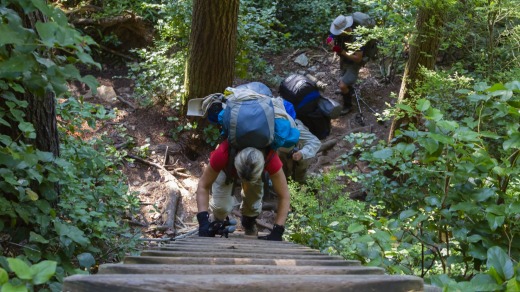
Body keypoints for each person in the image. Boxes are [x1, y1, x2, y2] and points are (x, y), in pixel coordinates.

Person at [195, 140, 291, 241]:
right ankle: (217, 220)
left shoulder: (271, 158)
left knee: (253, 202)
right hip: (226, 169)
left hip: (256, 173)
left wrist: (277, 231)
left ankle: (249, 220)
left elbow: (284, 195)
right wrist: (203, 222)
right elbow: (203, 185)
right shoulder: (223, 154)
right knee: (221, 208)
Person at [326, 15, 364, 115]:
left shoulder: (357, 38)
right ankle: (348, 91)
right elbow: (332, 35)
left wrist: (341, 51)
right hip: (344, 59)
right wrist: (330, 38)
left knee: (342, 85)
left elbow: (358, 58)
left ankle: (348, 106)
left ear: (346, 29)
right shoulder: (342, 33)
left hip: (354, 63)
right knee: (343, 76)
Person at [278, 119, 321, 183]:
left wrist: (302, 153)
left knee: (300, 179)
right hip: (281, 161)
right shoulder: (269, 129)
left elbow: (315, 142)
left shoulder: (296, 129)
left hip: (298, 159)